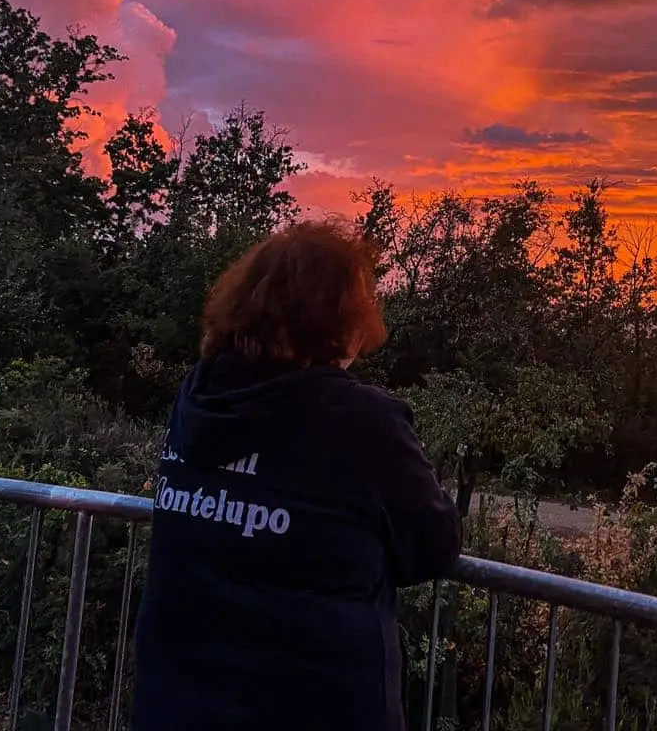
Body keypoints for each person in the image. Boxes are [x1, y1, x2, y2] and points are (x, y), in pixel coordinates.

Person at [131, 221, 462, 731]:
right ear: (337, 321)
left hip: (176, 700)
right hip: (312, 702)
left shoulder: (198, 397)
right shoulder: (363, 421)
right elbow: (433, 545)